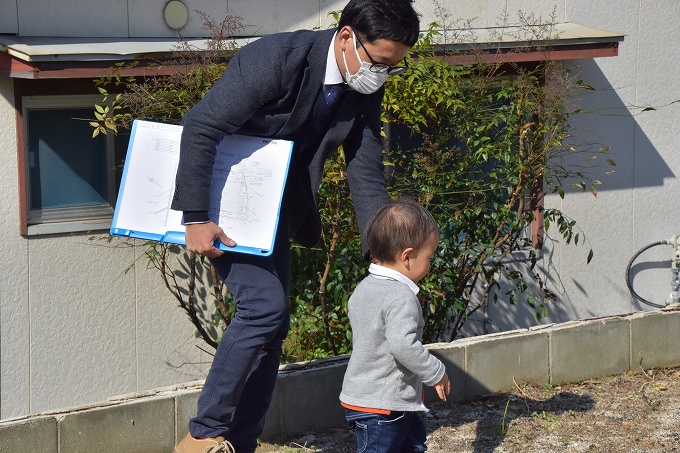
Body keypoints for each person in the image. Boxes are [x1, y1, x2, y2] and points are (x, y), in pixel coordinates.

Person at [170, 1, 421, 452]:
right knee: (263, 308)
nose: (381, 75)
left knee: (274, 325)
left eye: (392, 68)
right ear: (346, 36)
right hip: (224, 204)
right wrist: (195, 217)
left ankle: (241, 442)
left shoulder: (364, 83)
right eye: (379, 62)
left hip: (275, 213)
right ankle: (203, 435)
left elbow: (364, 170)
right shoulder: (274, 59)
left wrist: (385, 255)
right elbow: (202, 126)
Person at [339, 198, 451, 453]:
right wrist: (435, 371)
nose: (430, 265)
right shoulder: (401, 297)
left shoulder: (364, 287)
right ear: (408, 257)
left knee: (412, 445)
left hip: (371, 399)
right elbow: (403, 345)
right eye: (429, 258)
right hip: (384, 406)